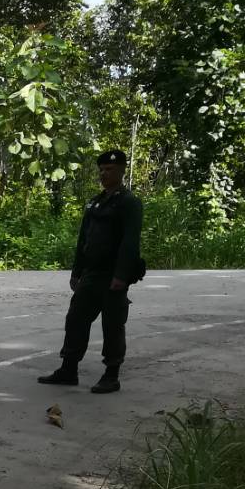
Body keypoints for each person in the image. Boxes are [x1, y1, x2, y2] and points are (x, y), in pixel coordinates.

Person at [38, 150, 143, 395]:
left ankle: (111, 374)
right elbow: (83, 239)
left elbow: (130, 242)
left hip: (113, 274)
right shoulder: (95, 202)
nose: (104, 174)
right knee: (75, 319)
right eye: (102, 170)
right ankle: (68, 369)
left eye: (110, 170)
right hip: (92, 273)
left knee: (112, 325)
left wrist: (121, 276)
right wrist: (76, 272)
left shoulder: (129, 202)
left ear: (122, 171)